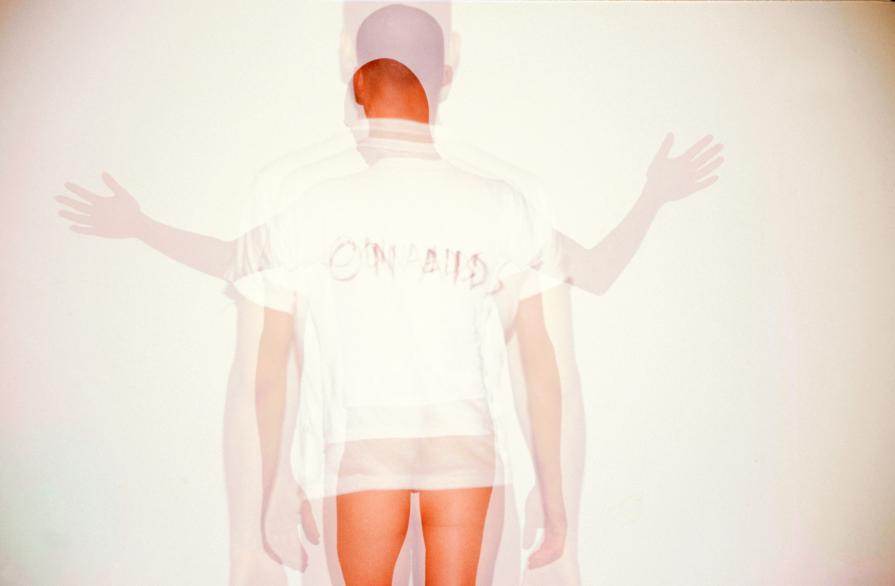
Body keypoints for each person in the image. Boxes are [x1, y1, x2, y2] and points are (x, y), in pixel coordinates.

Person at [56, 3, 723, 583]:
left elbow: (257, 348)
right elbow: (552, 352)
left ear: (357, 84)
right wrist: (554, 504)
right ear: (443, 78)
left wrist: (141, 227)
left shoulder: (316, 203)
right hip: (465, 444)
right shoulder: (498, 201)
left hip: (366, 448)